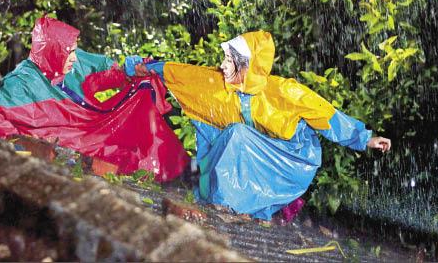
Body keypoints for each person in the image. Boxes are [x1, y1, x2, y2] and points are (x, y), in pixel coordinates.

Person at [125, 30, 391, 221]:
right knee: (230, 136)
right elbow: (182, 74)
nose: (222, 65)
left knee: (238, 135)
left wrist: (365, 138)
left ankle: (228, 204)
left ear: (246, 67)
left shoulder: (285, 91)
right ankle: (228, 203)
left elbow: (326, 116)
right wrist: (148, 68)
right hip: (253, 149)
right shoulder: (219, 83)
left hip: (290, 157)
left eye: (228, 60)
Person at [0, 15, 189, 182]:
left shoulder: (73, 62)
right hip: (68, 139)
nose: (74, 57)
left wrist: (130, 71)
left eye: (74, 51)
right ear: (53, 52)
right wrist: (18, 138)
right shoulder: (23, 81)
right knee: (118, 159)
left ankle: (178, 172)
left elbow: (107, 74)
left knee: (143, 88)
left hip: (91, 126)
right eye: (69, 52)